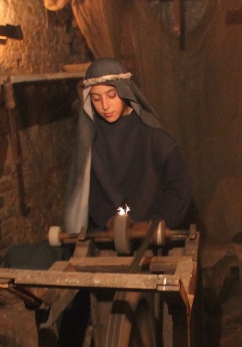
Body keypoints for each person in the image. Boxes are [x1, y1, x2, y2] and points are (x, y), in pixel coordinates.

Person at [63, 58, 192, 233]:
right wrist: (110, 220)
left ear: (125, 92)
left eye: (111, 95)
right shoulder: (90, 140)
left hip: (154, 232)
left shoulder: (154, 136)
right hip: (109, 233)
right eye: (96, 98)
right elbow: (90, 190)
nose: (105, 106)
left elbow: (178, 185)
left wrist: (156, 222)